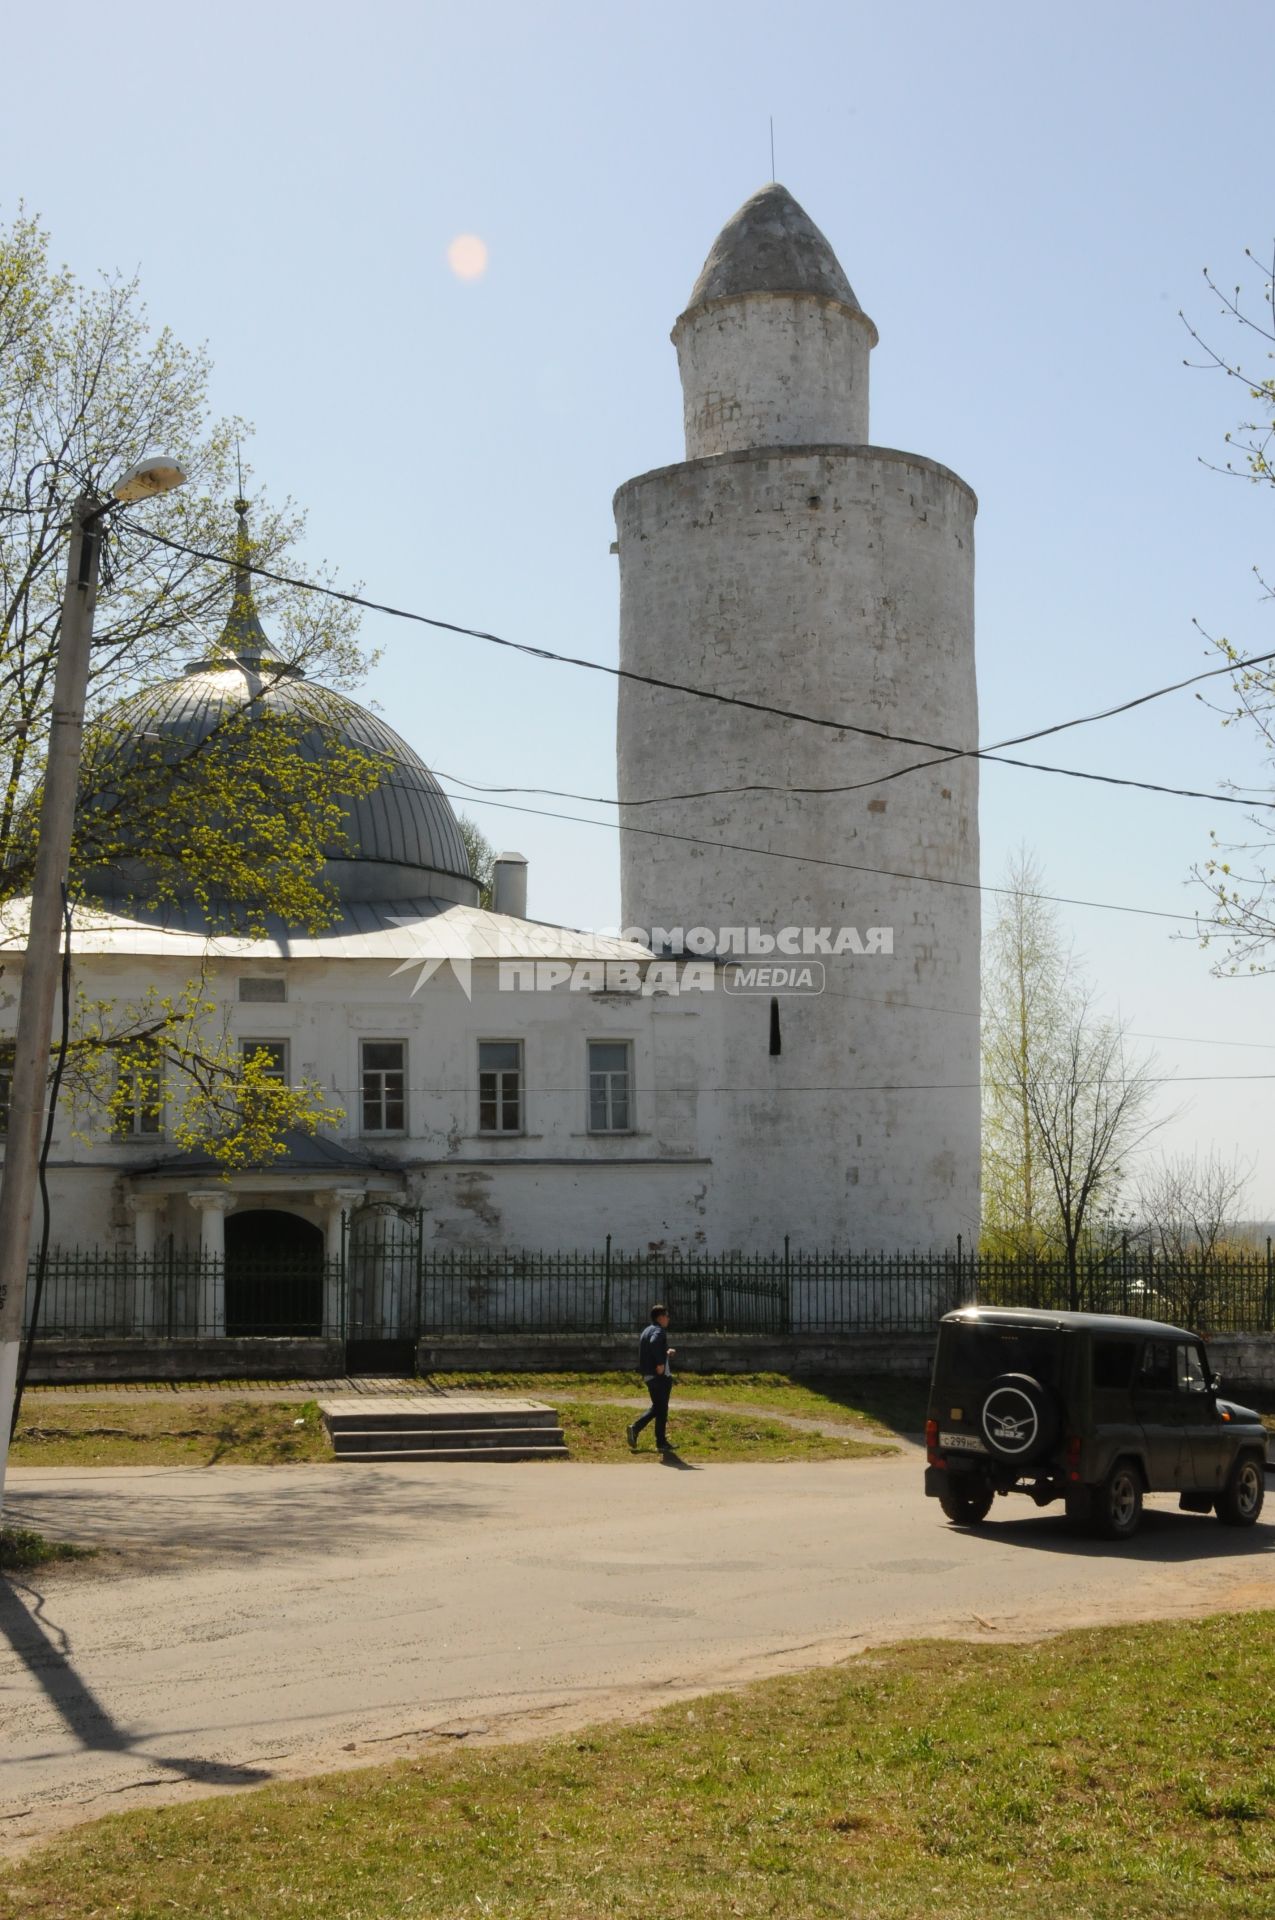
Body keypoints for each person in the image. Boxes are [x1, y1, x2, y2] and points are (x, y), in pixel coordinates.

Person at [627, 1304, 675, 1453]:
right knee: (661, 1409)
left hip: (649, 1375)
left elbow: (652, 1346)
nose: (668, 1319)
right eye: (666, 1316)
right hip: (658, 1376)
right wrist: (660, 1363)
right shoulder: (659, 1330)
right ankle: (641, 1431)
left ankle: (657, 1440)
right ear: (660, 1318)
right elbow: (654, 1343)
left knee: (658, 1408)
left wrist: (666, 1352)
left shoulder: (647, 1330)